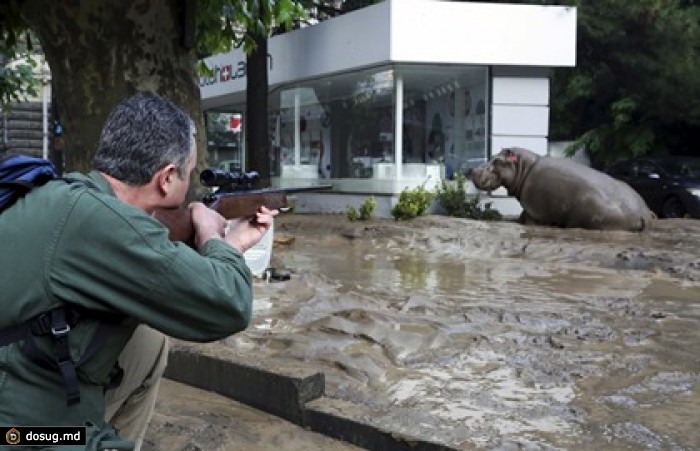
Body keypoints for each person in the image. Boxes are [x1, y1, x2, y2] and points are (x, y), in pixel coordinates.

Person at [0, 92, 277, 450]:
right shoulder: (102, 224)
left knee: (146, 343)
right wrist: (215, 236)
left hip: (24, 373)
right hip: (18, 432)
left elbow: (159, 268)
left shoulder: (68, 197)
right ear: (166, 178)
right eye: (189, 173)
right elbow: (228, 305)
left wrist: (225, 242)